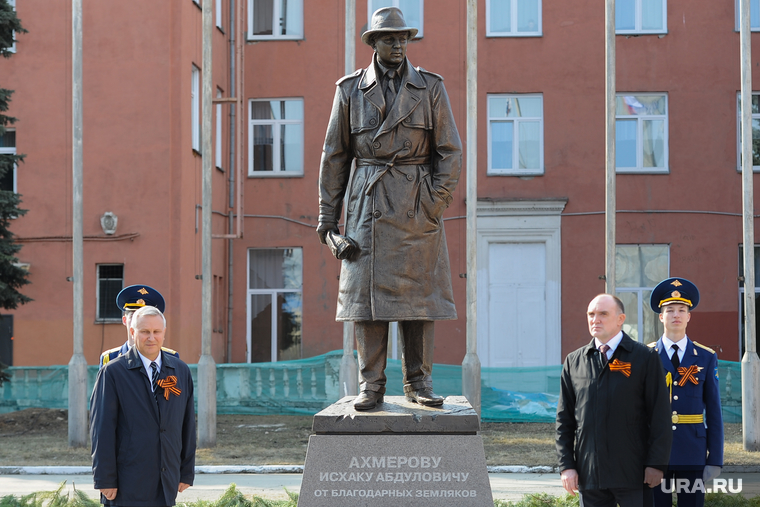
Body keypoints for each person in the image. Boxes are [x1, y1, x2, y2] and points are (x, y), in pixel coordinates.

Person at [317, 7, 462, 410]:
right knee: (367, 302)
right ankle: (372, 385)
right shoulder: (349, 90)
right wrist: (328, 219)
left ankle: (419, 382)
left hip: (417, 206)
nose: (398, 45)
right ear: (373, 43)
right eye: (389, 38)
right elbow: (334, 157)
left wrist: (434, 201)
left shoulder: (430, 87)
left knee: (419, 301)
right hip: (368, 204)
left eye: (403, 38)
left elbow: (449, 151)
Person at [556, 294, 672, 507]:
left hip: (634, 473)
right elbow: (565, 421)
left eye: (603, 314)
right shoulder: (574, 361)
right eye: (591, 314)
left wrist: (657, 464)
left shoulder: (644, 357)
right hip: (591, 474)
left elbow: (660, 415)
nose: (595, 320)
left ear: (620, 319)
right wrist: (567, 466)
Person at [90, 305, 196, 506]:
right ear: (132, 332)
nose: (151, 338)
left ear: (164, 333)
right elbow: (101, 430)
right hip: (127, 482)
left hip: (166, 479)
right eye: (145, 332)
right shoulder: (113, 373)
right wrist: (105, 479)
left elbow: (187, 424)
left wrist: (186, 471)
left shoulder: (180, 370)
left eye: (156, 332)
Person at [649, 278, 723, 507]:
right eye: (669, 310)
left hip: (693, 451)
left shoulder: (705, 357)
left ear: (689, 316)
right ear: (661, 316)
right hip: (655, 453)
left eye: (682, 310)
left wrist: (715, 459)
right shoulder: (646, 356)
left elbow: (714, 411)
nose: (676, 315)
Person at [99, 284, 178, 368]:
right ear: (124, 320)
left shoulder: (171, 357)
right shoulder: (110, 359)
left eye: (145, 317)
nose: (138, 321)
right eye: (133, 316)